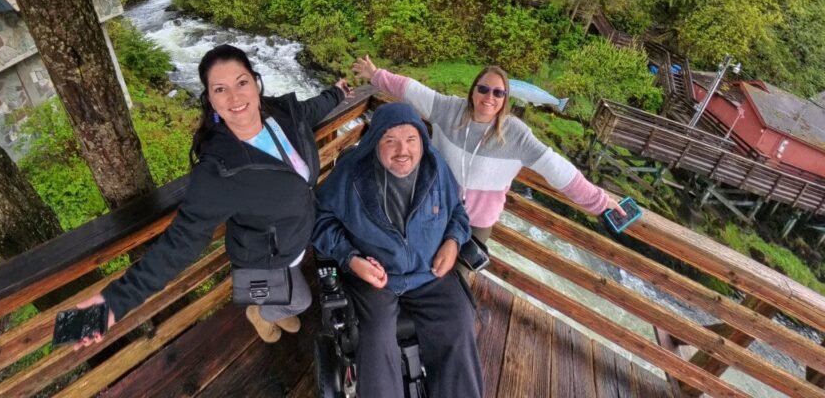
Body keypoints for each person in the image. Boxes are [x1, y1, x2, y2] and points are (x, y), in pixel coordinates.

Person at [76, 44, 351, 347]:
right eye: (220, 89)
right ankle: (262, 313)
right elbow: (180, 243)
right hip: (266, 258)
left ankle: (274, 309)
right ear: (210, 99)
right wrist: (113, 303)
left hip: (296, 238)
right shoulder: (218, 171)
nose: (235, 97)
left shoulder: (281, 113)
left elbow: (312, 110)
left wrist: (338, 93)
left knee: (293, 291)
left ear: (256, 83)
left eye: (241, 82)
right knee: (300, 301)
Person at [353, 55, 625, 245]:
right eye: (483, 89)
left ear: (506, 99)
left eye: (498, 93)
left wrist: (600, 203)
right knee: (422, 269)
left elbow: (559, 171)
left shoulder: (516, 135)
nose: (489, 97)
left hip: (477, 223)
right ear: (473, 91)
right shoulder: (448, 109)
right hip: (434, 209)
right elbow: (410, 89)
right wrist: (375, 75)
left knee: (459, 281)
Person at [312, 103, 482, 398]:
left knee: (460, 322)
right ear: (374, 142)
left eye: (411, 139)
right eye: (390, 140)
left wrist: (453, 241)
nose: (403, 150)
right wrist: (351, 259)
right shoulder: (351, 174)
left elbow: (458, 212)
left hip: (429, 272)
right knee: (376, 338)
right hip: (376, 278)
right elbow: (320, 220)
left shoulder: (436, 167)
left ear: (422, 142)